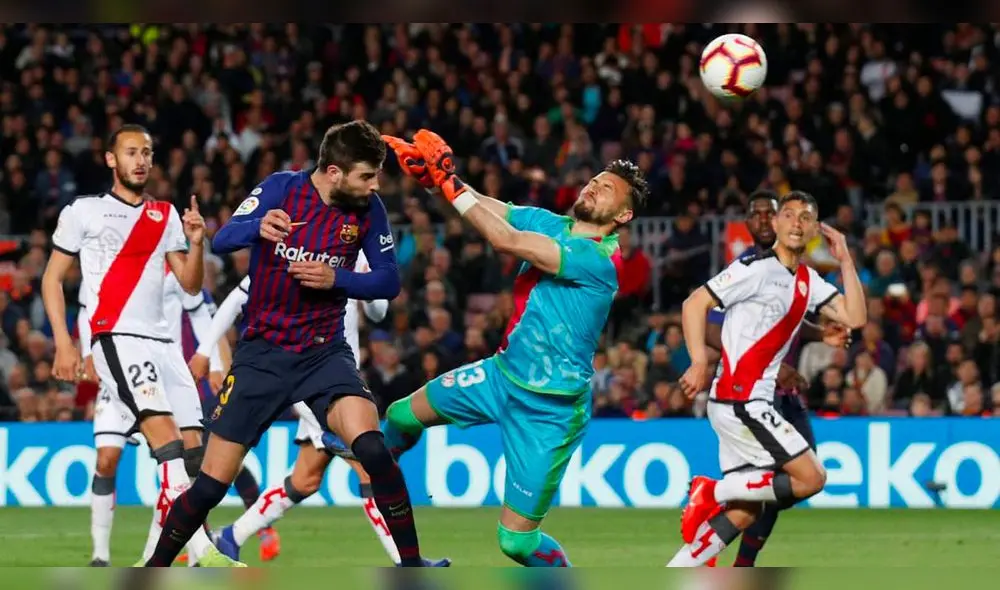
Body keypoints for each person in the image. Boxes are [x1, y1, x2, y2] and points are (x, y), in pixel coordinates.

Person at [143, 120, 426, 567]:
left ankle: (412, 569)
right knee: (210, 487)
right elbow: (224, 237)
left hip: (324, 353)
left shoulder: (369, 210)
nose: (375, 186)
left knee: (373, 449)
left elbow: (389, 281)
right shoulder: (281, 189)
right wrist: (259, 225)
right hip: (262, 354)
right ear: (334, 172)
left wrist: (340, 278)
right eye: (366, 176)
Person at [381, 130, 648, 567]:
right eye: (595, 181)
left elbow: (506, 240)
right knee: (398, 415)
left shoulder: (599, 262)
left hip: (550, 411)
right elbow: (495, 210)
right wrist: (438, 182)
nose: (594, 188)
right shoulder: (553, 222)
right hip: (499, 375)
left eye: (607, 190)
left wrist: (449, 185)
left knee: (516, 544)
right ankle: (376, 470)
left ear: (623, 215)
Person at [41, 124, 238, 567]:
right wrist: (64, 343)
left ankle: (152, 561)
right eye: (131, 152)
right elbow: (52, 279)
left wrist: (195, 243)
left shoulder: (165, 215)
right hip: (117, 338)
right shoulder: (84, 212)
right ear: (112, 159)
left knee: (194, 455)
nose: (141, 160)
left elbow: (189, 288)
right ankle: (202, 550)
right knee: (165, 442)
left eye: (147, 152)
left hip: (165, 345)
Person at [190, 265, 450, 567]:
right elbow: (237, 298)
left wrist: (368, 280)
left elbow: (378, 313)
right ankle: (407, 562)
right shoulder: (297, 249)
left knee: (305, 480)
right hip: (305, 382)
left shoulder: (357, 253)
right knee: (370, 468)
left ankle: (231, 537)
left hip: (340, 382)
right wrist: (205, 350)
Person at [666, 191, 867, 567]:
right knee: (812, 477)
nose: (796, 222)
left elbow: (855, 317)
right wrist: (697, 361)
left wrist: (845, 259)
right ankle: (711, 491)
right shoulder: (755, 269)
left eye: (805, 217)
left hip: (746, 402)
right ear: (776, 224)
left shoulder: (807, 280)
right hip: (740, 400)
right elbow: (694, 303)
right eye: (788, 215)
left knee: (747, 511)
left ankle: (679, 570)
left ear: (813, 230)